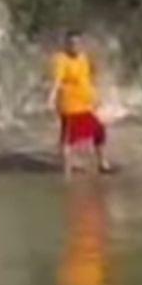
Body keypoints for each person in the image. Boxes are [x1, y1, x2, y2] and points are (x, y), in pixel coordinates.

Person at [49, 30, 113, 176]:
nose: (74, 46)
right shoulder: (61, 59)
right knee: (68, 138)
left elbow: (87, 81)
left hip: (85, 104)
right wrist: (52, 96)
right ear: (66, 44)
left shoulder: (83, 59)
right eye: (71, 43)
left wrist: (96, 98)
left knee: (99, 130)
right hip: (69, 105)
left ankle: (102, 163)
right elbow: (57, 81)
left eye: (77, 43)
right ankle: (67, 171)